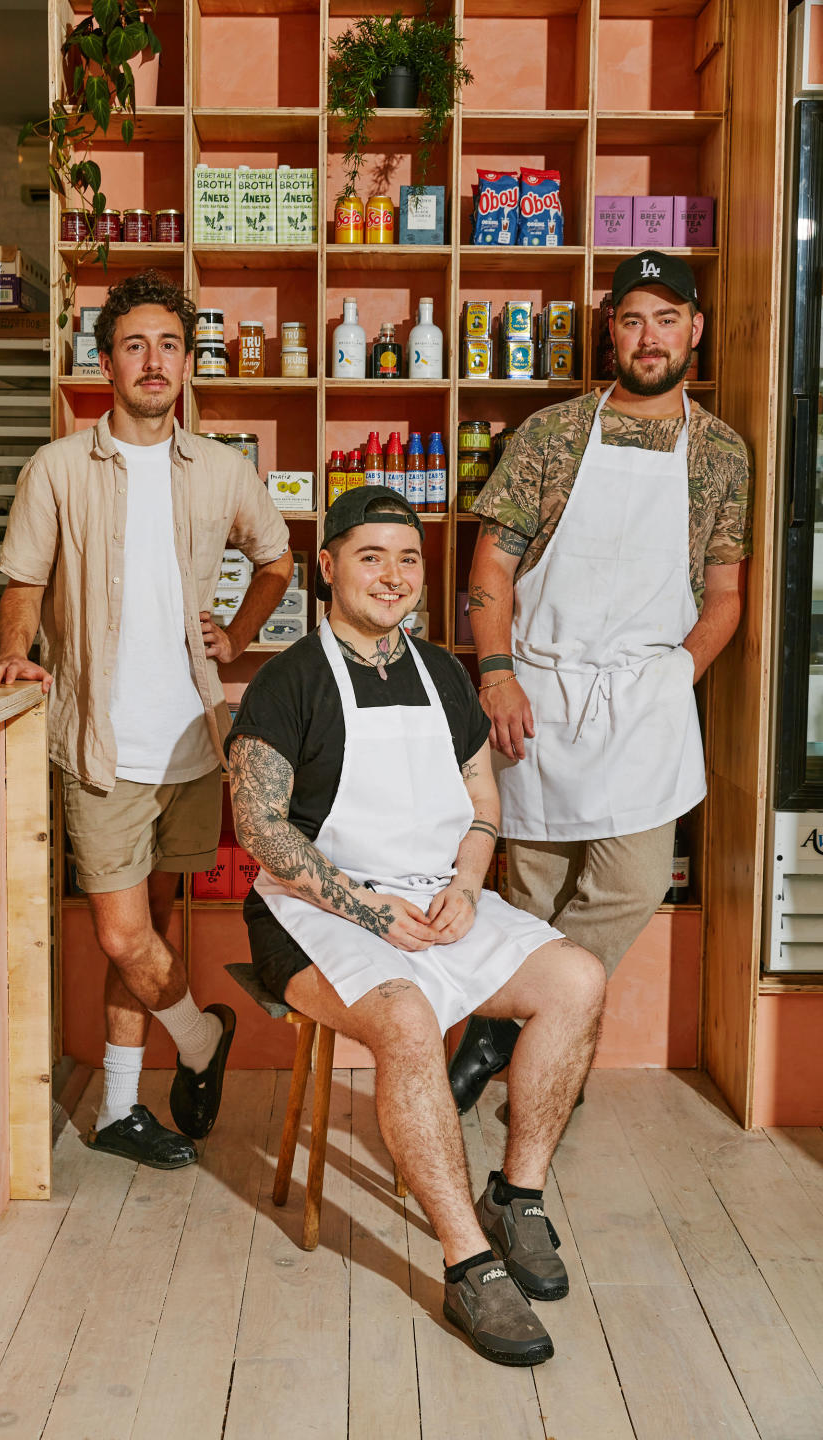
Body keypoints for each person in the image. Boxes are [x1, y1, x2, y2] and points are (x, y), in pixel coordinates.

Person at [226, 486, 607, 1366]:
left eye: (407, 558)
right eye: (370, 556)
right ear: (326, 568)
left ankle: (517, 1197)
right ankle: (468, 1263)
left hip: (438, 890)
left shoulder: (442, 672)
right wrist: (366, 908)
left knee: (576, 981)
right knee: (403, 1018)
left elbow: (482, 799)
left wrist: (470, 889)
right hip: (311, 907)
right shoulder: (289, 680)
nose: (393, 576)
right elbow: (261, 831)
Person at [0, 269, 293, 1167]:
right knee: (121, 931)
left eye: (170, 345)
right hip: (101, 743)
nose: (154, 361)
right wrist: (19, 651)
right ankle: (201, 1040)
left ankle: (118, 1110)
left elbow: (277, 557)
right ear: (105, 361)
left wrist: (239, 632)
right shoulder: (60, 468)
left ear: (190, 363)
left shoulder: (222, 468)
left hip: (193, 739)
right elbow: (23, 583)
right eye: (135, 345)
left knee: (148, 924)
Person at [449, 250, 750, 1112]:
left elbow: (726, 595)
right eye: (631, 319)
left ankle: (509, 1029)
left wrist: (672, 678)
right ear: (609, 331)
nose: (648, 337)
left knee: (635, 880)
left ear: (694, 329)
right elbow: (491, 566)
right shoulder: (550, 433)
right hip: (539, 691)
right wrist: (497, 675)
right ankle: (550, 1057)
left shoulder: (721, 452)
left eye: (666, 319)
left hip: (645, 696)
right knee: (531, 890)